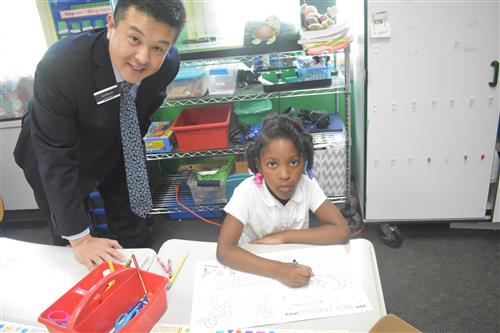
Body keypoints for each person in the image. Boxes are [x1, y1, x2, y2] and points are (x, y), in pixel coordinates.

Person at [13, 0, 186, 269]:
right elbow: (55, 156)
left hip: (118, 138)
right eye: (134, 38)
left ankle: (141, 270)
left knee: (131, 219)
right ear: (111, 25)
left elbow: (144, 108)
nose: (142, 57)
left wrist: (128, 148)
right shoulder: (61, 66)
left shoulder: (167, 64)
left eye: (157, 48)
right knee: (73, 238)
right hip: (54, 149)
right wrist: (81, 239)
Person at [217, 114, 351, 288]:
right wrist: (278, 271)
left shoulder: (307, 186)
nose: (285, 175)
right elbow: (225, 251)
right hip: (253, 266)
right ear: (259, 165)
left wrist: (284, 237)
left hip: (294, 262)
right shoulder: (246, 193)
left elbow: (342, 232)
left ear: (304, 161)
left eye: (294, 162)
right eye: (272, 164)